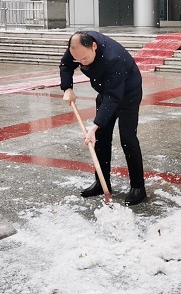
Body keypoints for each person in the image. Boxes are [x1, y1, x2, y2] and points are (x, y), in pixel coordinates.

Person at [60, 31, 146, 206]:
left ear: (94, 46)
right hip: (106, 92)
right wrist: (67, 88)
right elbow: (65, 65)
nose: (82, 62)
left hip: (128, 94)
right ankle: (102, 182)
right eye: (78, 60)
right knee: (101, 138)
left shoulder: (113, 59)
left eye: (85, 58)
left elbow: (114, 97)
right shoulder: (77, 48)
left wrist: (94, 126)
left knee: (128, 139)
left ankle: (138, 187)